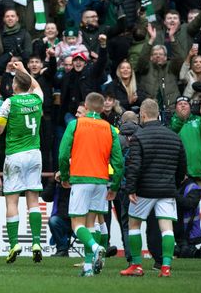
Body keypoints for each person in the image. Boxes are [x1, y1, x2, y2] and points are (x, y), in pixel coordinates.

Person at [58, 92, 124, 277]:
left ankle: (95, 248)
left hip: (81, 179)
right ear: (103, 109)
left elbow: (63, 154)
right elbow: (118, 162)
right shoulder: (110, 129)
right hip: (101, 181)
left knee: (76, 224)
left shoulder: (75, 124)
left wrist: (64, 175)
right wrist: (115, 186)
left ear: (86, 107)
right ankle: (88, 267)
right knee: (91, 223)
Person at [121, 99, 187, 277]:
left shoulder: (138, 137)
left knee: (134, 225)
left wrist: (131, 189)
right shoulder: (174, 136)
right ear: (157, 114)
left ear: (142, 115)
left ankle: (136, 265)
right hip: (167, 190)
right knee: (167, 228)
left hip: (144, 190)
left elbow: (134, 165)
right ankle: (165, 267)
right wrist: (175, 183)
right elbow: (182, 167)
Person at [0, 61, 45, 263]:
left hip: (15, 155)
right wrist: (23, 69)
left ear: (15, 86)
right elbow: (37, 86)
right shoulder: (37, 98)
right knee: (33, 200)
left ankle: (14, 243)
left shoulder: (9, 103)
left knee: (12, 200)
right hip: (34, 153)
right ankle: (36, 242)